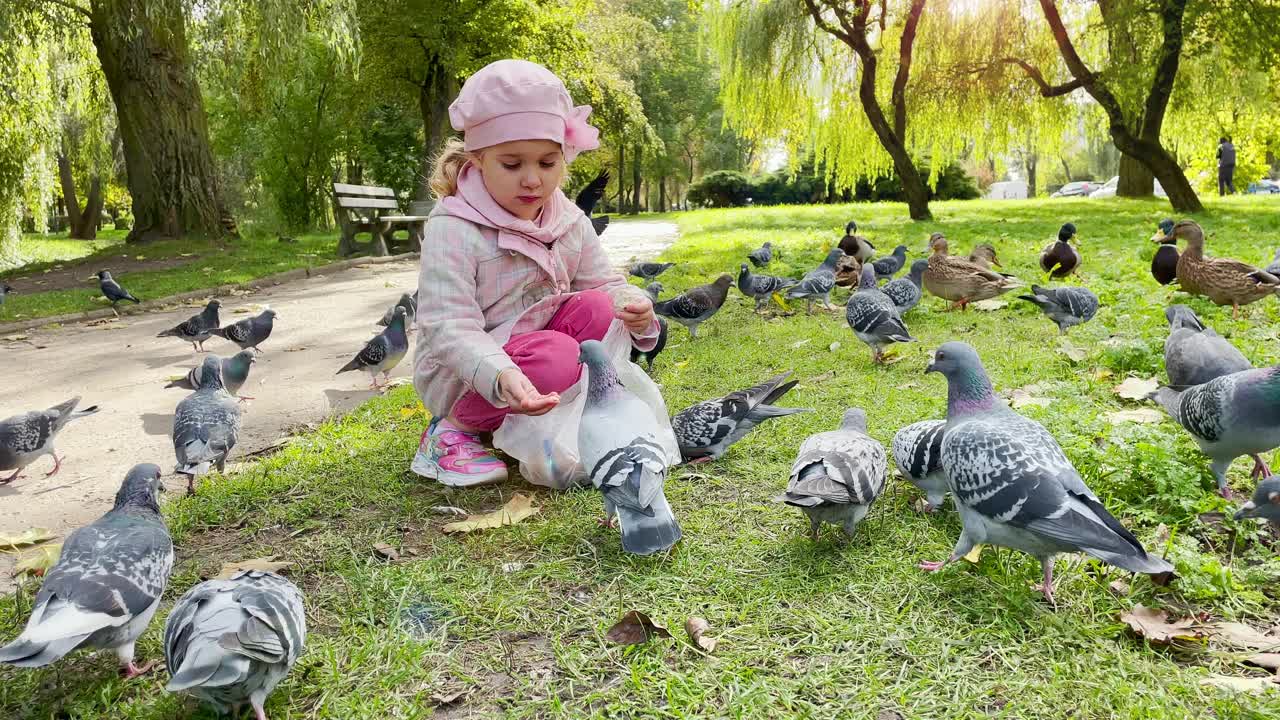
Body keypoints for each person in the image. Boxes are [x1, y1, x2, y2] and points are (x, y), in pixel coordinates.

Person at [410, 59, 660, 488]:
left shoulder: (568, 219)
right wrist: (500, 373)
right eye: (512, 165)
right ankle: (452, 430)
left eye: (547, 163)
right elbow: (447, 325)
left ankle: (548, 410)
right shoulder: (454, 227)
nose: (532, 180)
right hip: (465, 371)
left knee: (599, 308)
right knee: (557, 357)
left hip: (539, 346)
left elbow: (602, 284)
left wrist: (632, 307)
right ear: (478, 159)